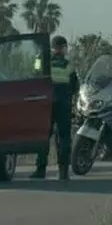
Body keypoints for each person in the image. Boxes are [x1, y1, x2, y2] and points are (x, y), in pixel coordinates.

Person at [30, 35, 79, 181]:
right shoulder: (68, 64)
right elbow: (75, 84)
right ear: (63, 48)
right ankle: (63, 172)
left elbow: (35, 73)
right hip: (63, 102)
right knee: (64, 137)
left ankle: (40, 169)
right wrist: (69, 96)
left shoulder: (43, 59)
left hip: (47, 101)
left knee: (44, 135)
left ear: (52, 48)